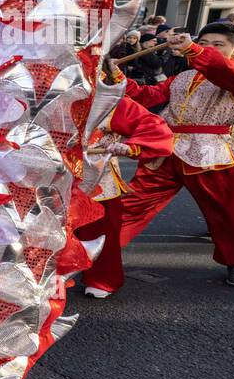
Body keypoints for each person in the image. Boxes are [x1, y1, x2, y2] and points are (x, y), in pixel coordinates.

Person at [119, 24, 234, 288]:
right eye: (204, 42)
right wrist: (116, 78)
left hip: (211, 153)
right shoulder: (182, 77)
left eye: (218, 44)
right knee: (131, 202)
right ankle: (99, 251)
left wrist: (195, 50)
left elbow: (227, 73)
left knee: (226, 213)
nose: (209, 48)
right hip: (166, 149)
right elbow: (148, 96)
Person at [75, 95, 175, 298]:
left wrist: (132, 145)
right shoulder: (40, 90)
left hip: (95, 175)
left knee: (100, 229)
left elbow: (151, 124)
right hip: (46, 172)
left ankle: (102, 278)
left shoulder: (108, 99)